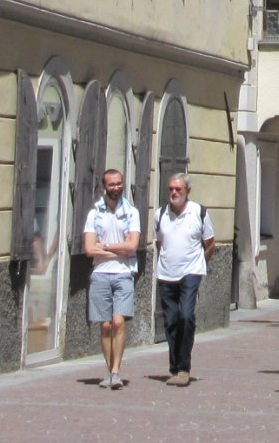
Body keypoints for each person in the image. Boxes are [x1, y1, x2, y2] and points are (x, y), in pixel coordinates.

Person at [153, 173, 215, 387]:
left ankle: (184, 368)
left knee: (186, 316)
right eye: (171, 188)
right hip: (166, 274)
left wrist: (200, 264)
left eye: (178, 189)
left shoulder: (199, 212)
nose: (174, 192)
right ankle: (175, 367)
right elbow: (160, 243)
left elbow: (210, 243)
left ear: (187, 191)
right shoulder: (160, 213)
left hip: (191, 272)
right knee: (171, 321)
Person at [81, 167, 140, 390]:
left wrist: (103, 246)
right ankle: (108, 370)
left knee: (118, 321)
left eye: (119, 184)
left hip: (124, 273)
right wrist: (118, 250)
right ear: (104, 186)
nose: (116, 188)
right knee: (105, 326)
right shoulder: (94, 214)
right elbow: (88, 248)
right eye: (111, 184)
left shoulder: (132, 212)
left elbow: (133, 245)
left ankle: (116, 371)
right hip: (100, 273)